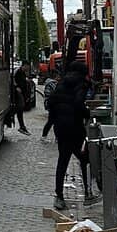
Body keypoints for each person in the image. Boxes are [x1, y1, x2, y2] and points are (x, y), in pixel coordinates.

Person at [48, 54, 92, 207]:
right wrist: (87, 113)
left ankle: (59, 195)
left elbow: (51, 103)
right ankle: (88, 193)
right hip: (74, 127)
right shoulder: (81, 83)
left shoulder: (61, 83)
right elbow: (79, 103)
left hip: (61, 127)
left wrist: (54, 122)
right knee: (84, 158)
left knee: (63, 160)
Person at [41, 65, 60, 142]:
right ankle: (55, 138)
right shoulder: (53, 83)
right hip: (53, 104)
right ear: (55, 76)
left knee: (52, 121)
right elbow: (57, 92)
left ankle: (45, 136)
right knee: (54, 121)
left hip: (50, 104)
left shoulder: (49, 82)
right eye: (58, 76)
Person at [13, 63, 31, 135]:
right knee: (20, 107)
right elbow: (13, 79)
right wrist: (16, 87)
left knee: (20, 108)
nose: (28, 69)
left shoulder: (23, 73)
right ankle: (22, 126)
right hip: (18, 93)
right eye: (27, 67)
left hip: (21, 93)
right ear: (24, 65)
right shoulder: (18, 71)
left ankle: (22, 126)